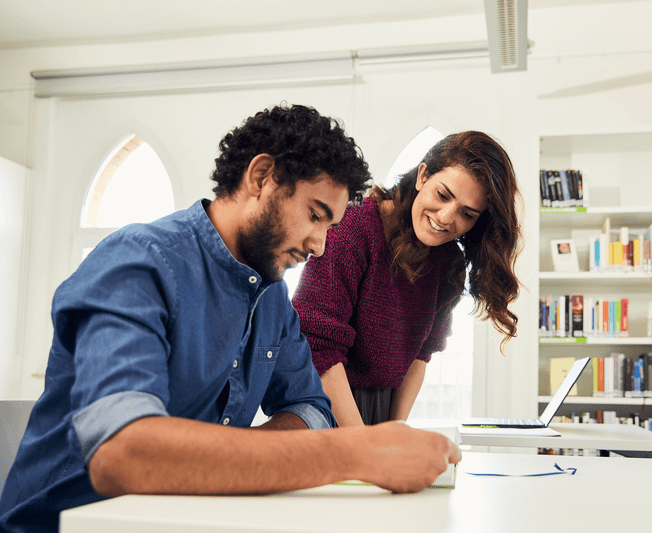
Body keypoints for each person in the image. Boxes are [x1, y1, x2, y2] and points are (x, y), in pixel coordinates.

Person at [0, 104, 461, 533]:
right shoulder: (137, 263)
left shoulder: (273, 297)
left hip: (182, 518)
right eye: (315, 216)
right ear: (261, 176)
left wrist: (229, 464)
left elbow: (311, 410)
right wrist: (356, 454)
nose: (320, 245)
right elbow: (122, 453)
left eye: (330, 227)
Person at [292, 131, 522, 426]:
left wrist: (393, 430)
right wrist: (365, 442)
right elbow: (318, 347)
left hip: (382, 405)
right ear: (423, 176)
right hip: (322, 401)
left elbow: (420, 356)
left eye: (467, 213)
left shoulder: (449, 263)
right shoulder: (352, 230)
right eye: (442, 195)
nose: (446, 217)